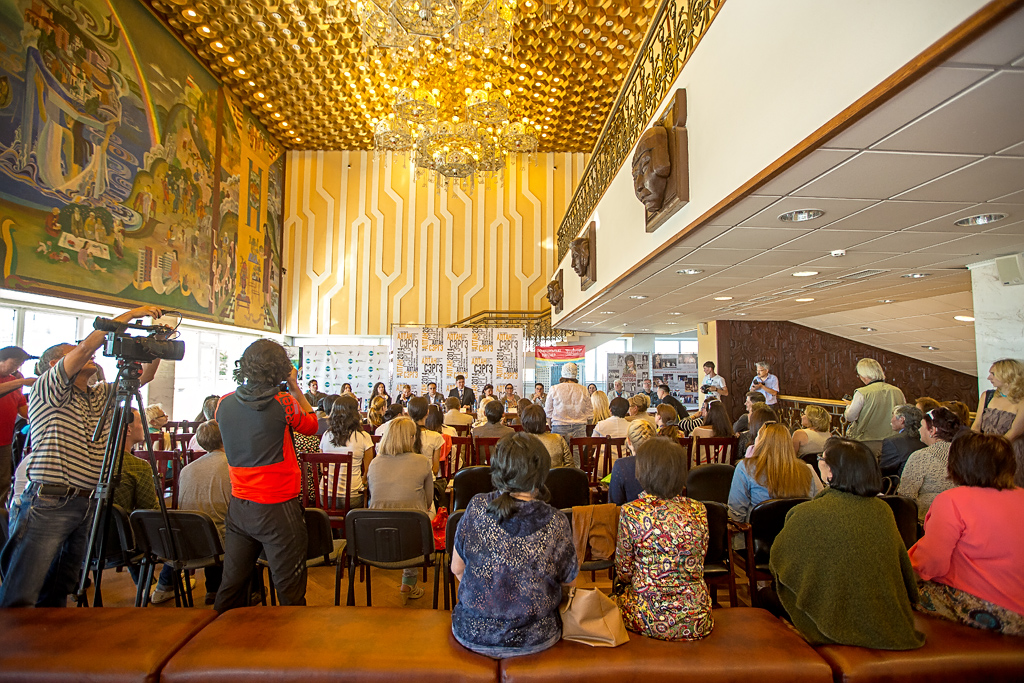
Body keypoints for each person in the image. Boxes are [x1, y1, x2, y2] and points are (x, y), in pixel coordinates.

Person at [0, 304, 163, 608]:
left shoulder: (98, 394)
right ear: (53, 364)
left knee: (60, 589)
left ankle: (48, 649)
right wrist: (132, 314)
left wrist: (156, 346)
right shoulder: (48, 388)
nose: (89, 356)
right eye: (72, 352)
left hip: (88, 501)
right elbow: (90, 344)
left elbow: (145, 377)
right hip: (49, 501)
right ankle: (12, 652)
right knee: (22, 592)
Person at [769, 438, 925, 650]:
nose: (819, 462)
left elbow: (778, 562)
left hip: (831, 620)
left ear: (831, 472)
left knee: (767, 595)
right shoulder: (883, 511)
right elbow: (900, 566)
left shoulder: (807, 513)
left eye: (822, 459)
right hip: (883, 617)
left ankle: (793, 656)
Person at [214, 339, 318, 613]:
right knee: (289, 589)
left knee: (232, 584)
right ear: (281, 368)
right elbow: (312, 425)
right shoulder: (285, 404)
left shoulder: (222, 404)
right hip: (278, 507)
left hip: (239, 507)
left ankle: (215, 643)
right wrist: (295, 387)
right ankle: (289, 650)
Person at [451, 432, 578, 658]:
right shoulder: (556, 520)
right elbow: (570, 582)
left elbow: (457, 569)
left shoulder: (477, 506)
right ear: (541, 471)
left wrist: (490, 597)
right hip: (535, 637)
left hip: (472, 632)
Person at [909, 432, 1024, 636]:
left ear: (958, 464)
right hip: (1018, 608)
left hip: (994, 611)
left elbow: (931, 563)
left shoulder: (953, 500)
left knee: (897, 591)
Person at [617, 437, 712, 641]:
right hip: (696, 617)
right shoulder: (698, 510)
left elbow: (624, 572)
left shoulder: (632, 511)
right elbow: (700, 559)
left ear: (643, 471)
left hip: (646, 616)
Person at [151, 420, 231, 605]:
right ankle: (245, 589)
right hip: (219, 541)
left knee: (210, 522)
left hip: (186, 542)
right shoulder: (232, 466)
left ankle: (168, 586)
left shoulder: (187, 470)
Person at [368, 416, 435, 603]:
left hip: (376, 536)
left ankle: (408, 581)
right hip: (412, 536)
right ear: (411, 438)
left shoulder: (374, 463)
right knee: (419, 512)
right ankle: (408, 581)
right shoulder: (422, 461)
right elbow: (428, 501)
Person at [728, 423, 821, 522]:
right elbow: (819, 505)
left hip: (758, 535)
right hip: (797, 534)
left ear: (761, 442)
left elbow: (736, 515)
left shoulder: (745, 468)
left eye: (757, 436)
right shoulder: (807, 470)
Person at [897, 407, 963, 523]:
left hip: (926, 521)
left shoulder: (921, 457)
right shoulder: (966, 454)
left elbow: (905, 498)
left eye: (921, 426)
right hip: (961, 519)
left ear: (932, 430)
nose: (918, 430)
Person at [972, 358, 1024, 487]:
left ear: (1007, 374)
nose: (989, 377)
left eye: (993, 374)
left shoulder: (1022, 400)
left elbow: (1015, 432)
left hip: (1010, 452)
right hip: (984, 450)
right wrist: (973, 444)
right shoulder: (987, 396)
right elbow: (977, 425)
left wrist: (993, 450)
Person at [319, 394, 373, 509]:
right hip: (352, 497)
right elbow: (368, 472)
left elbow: (321, 467)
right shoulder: (363, 437)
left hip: (325, 496)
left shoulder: (326, 435)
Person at [843, 358, 905, 457]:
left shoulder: (862, 392)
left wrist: (848, 407)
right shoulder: (897, 391)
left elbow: (850, 417)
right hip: (892, 440)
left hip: (867, 440)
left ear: (863, 375)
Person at [0, 346, 36, 506]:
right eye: (14, 363)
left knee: (3, 481)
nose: (16, 368)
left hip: (5, 440)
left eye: (19, 364)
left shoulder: (14, 381)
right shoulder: (16, 382)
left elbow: (23, 409)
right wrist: (21, 381)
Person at [545, 362, 592, 465]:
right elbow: (589, 413)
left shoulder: (554, 389)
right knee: (577, 460)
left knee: (559, 459)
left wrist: (550, 425)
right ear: (576, 374)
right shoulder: (584, 389)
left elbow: (548, 412)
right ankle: (575, 479)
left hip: (559, 426)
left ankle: (561, 479)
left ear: (562, 373)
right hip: (579, 427)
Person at [609, 420, 657, 505]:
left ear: (629, 441)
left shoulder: (621, 466)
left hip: (632, 515)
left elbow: (614, 504)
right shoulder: (666, 463)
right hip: (665, 515)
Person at [879, 404, 925, 477]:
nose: (891, 420)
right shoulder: (925, 438)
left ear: (901, 420)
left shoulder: (892, 442)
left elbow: (884, 471)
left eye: (893, 417)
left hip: (900, 484)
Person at [521, 404, 571, 468]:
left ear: (523, 423)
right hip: (558, 477)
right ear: (544, 421)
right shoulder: (558, 438)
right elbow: (570, 466)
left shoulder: (520, 442)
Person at [408, 396, 445, 477]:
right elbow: (435, 470)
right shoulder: (436, 437)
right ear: (427, 413)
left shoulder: (403, 435)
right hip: (428, 481)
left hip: (407, 481)